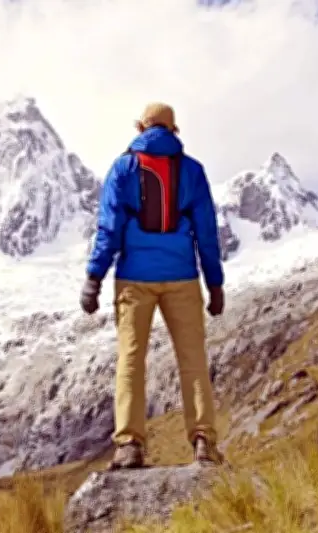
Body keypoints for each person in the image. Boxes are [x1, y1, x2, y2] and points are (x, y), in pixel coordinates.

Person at [80, 102, 225, 469]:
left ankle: (129, 444)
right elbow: (206, 232)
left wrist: (93, 278)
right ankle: (204, 441)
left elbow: (109, 230)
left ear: (141, 126)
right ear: (173, 129)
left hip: (134, 279)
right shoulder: (192, 170)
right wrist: (215, 283)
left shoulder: (123, 167)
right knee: (192, 360)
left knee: (131, 360)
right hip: (182, 278)